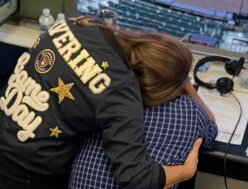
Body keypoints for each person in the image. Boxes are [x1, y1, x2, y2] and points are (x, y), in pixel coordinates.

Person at [0, 17, 203, 189]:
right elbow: (137, 178)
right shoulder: (122, 94)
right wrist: (187, 171)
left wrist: (180, 77)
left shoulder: (86, 24)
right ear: (156, 88)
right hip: (30, 170)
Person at [69, 42, 217, 189]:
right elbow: (211, 130)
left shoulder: (107, 95)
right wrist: (187, 86)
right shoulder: (190, 110)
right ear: (178, 82)